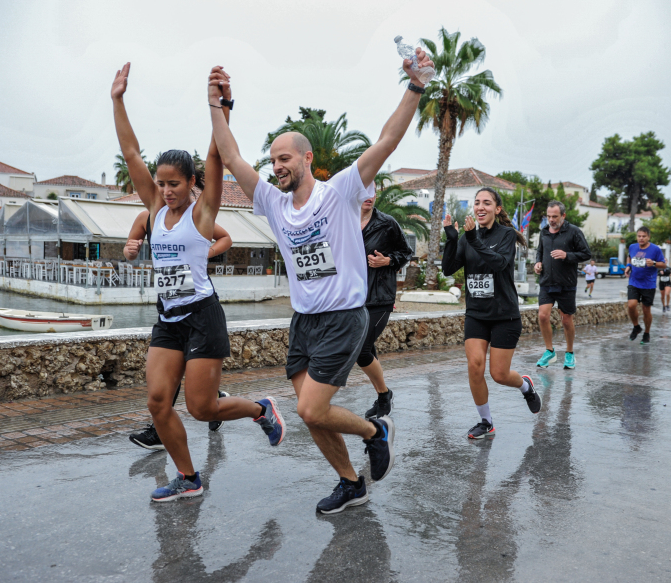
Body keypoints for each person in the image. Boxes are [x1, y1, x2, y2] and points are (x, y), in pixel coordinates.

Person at [207, 52, 435, 514]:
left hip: (344, 317)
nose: (277, 167)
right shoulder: (272, 203)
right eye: (273, 160)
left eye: (285, 158)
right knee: (314, 416)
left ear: (307, 158)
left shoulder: (341, 192)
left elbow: (387, 141)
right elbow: (229, 156)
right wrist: (217, 104)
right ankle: (351, 483)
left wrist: (415, 86)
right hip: (304, 322)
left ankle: (375, 431)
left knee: (310, 409)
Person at [112, 63, 285, 503]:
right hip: (169, 319)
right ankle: (188, 477)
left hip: (203, 317)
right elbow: (131, 154)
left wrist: (219, 105)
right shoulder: (154, 210)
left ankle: (261, 409)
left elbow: (216, 156)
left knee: (202, 407)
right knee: (157, 402)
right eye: (161, 184)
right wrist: (118, 99)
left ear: (191, 183)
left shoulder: (202, 212)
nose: (166, 191)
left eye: (174, 184)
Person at [123, 209, 235, 445]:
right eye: (160, 188)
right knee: (167, 376)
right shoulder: (146, 218)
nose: (166, 192)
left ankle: (213, 403)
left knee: (189, 382)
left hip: (198, 306)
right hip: (169, 307)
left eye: (171, 188)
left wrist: (207, 252)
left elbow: (226, 237)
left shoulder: (191, 216)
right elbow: (129, 250)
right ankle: (163, 429)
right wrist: (130, 251)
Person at [442, 188, 542, 440]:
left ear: (497, 209)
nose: (480, 207)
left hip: (504, 316)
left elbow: (499, 263)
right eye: (477, 202)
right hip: (476, 314)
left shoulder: (506, 234)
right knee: (475, 366)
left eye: (486, 203)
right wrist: (452, 239)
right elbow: (448, 269)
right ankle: (486, 422)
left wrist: (473, 239)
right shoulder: (467, 237)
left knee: (499, 374)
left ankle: (525, 385)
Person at [359, 194, 413, 420]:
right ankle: (382, 396)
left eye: (371, 191)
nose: (368, 196)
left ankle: (384, 395)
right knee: (367, 350)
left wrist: (387, 261)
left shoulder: (386, 223)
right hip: (352, 299)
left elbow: (406, 252)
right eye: (363, 190)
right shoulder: (343, 220)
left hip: (380, 298)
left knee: (361, 350)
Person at [533, 201, 591, 370]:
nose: (551, 220)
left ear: (563, 216)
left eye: (555, 216)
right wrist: (537, 263)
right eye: (548, 216)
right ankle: (549, 351)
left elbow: (586, 253)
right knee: (543, 316)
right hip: (546, 281)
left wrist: (567, 255)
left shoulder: (574, 231)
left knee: (566, 320)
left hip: (566, 283)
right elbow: (540, 251)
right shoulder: (544, 232)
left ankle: (570, 352)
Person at [624, 226, 666, 344]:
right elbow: (629, 257)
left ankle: (646, 333)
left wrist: (654, 263)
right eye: (639, 236)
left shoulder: (655, 249)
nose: (641, 238)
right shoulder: (632, 247)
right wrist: (628, 266)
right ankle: (636, 327)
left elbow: (663, 265)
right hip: (634, 281)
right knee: (631, 305)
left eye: (644, 236)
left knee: (646, 310)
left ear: (648, 237)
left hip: (648, 284)